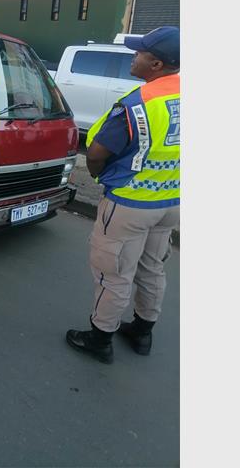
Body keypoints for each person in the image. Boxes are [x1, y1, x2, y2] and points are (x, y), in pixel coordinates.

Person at [65, 26, 180, 364]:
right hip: (171, 201)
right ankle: (142, 331)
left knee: (113, 272)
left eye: (140, 52)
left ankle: (100, 338)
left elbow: (97, 152)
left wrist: (99, 175)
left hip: (130, 203)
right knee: (153, 267)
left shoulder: (138, 103)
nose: (134, 56)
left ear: (156, 64)